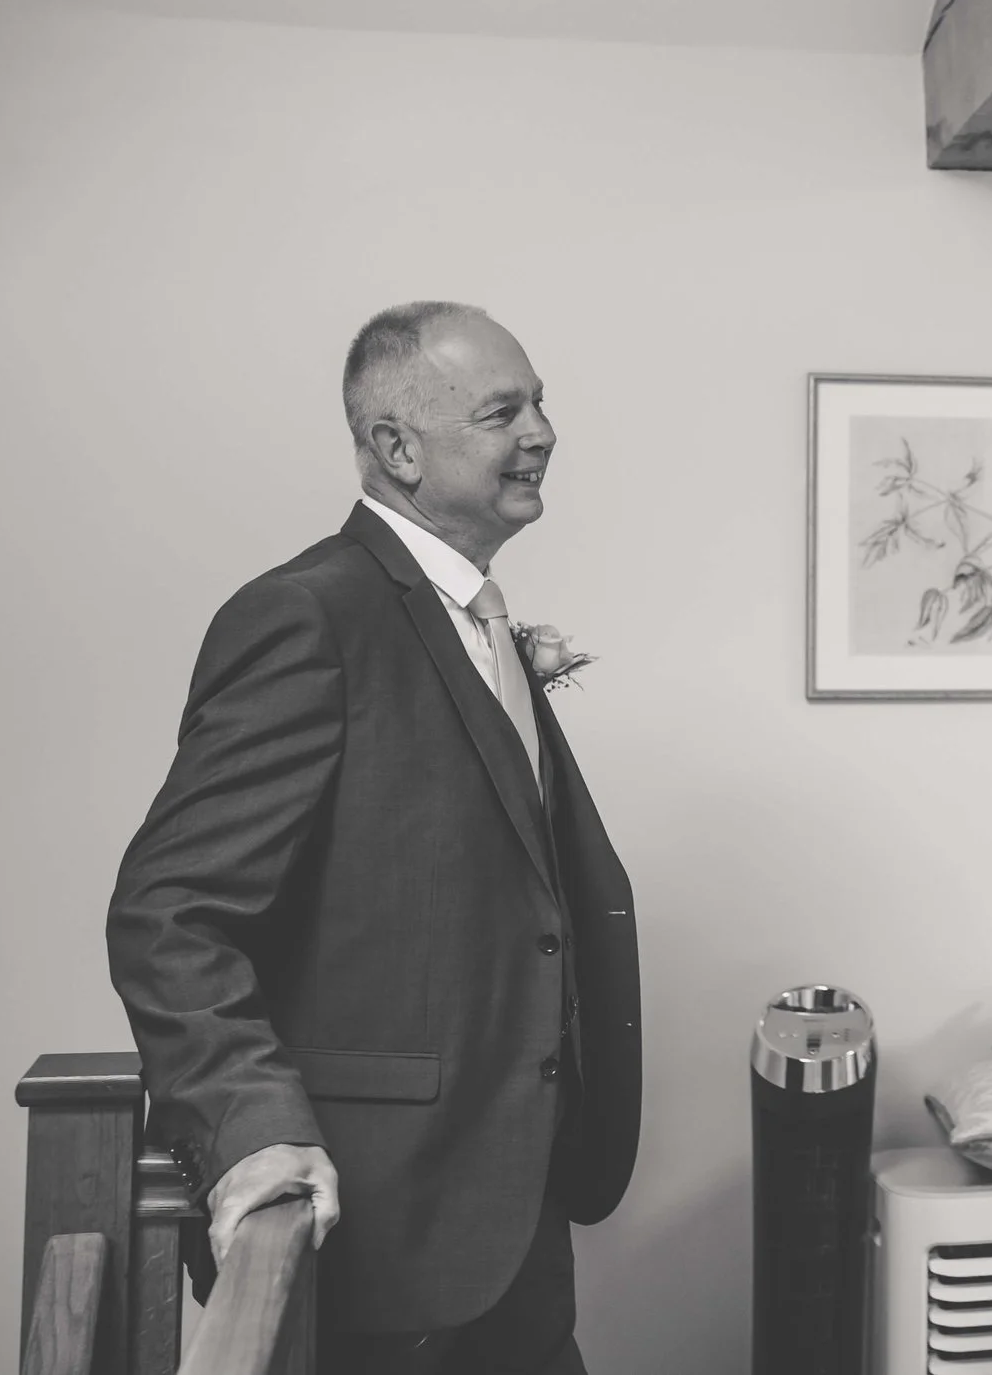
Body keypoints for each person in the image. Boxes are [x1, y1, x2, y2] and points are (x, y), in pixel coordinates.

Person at [107, 302, 641, 1374]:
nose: (540, 430)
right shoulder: (311, 616)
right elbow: (169, 912)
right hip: (388, 1230)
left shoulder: (476, 617)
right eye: (502, 410)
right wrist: (254, 1127)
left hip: (515, 1210)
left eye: (540, 402)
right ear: (397, 448)